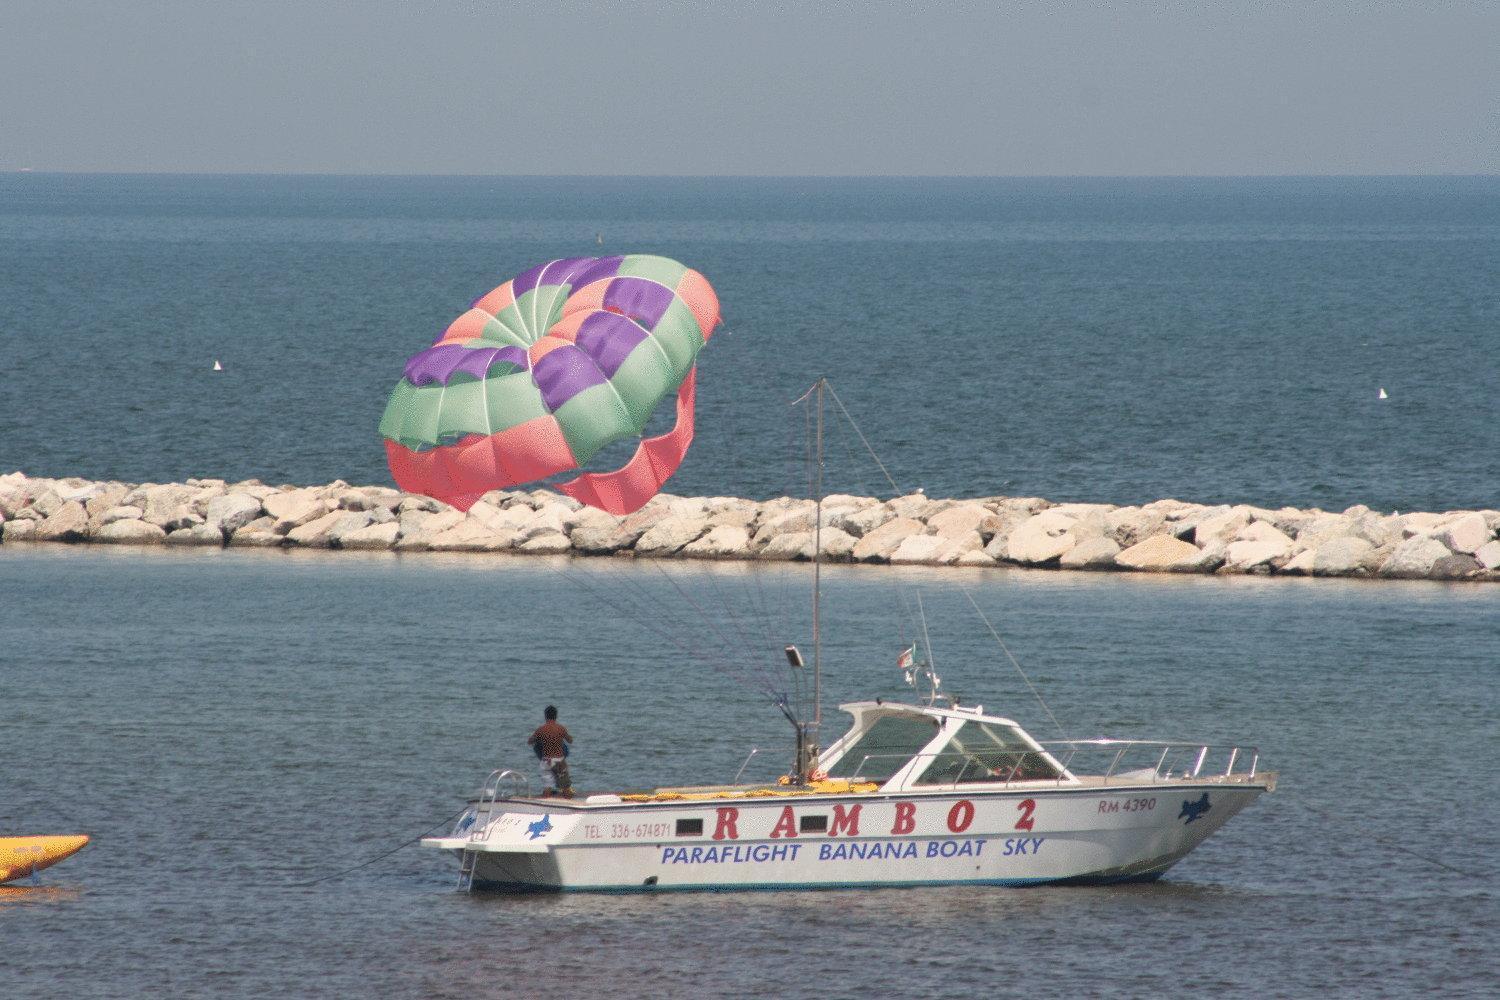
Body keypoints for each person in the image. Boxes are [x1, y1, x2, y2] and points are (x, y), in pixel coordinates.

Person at [527, 705, 574, 798]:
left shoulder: (540, 730)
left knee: (547, 788)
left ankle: (546, 808)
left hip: (546, 761)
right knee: (566, 789)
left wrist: (539, 741)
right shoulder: (560, 728)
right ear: (556, 716)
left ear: (545, 716)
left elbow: (530, 741)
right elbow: (570, 740)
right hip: (558, 762)